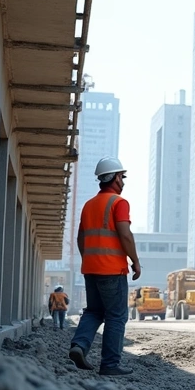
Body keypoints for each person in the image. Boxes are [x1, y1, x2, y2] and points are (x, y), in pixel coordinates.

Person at [68, 157, 142, 376]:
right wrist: (135, 261)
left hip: (90, 269)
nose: (123, 181)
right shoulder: (119, 203)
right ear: (116, 178)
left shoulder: (89, 205)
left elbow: (81, 239)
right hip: (112, 270)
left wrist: (90, 259)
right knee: (116, 316)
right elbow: (125, 234)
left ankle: (79, 345)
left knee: (94, 311)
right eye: (122, 177)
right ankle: (110, 364)